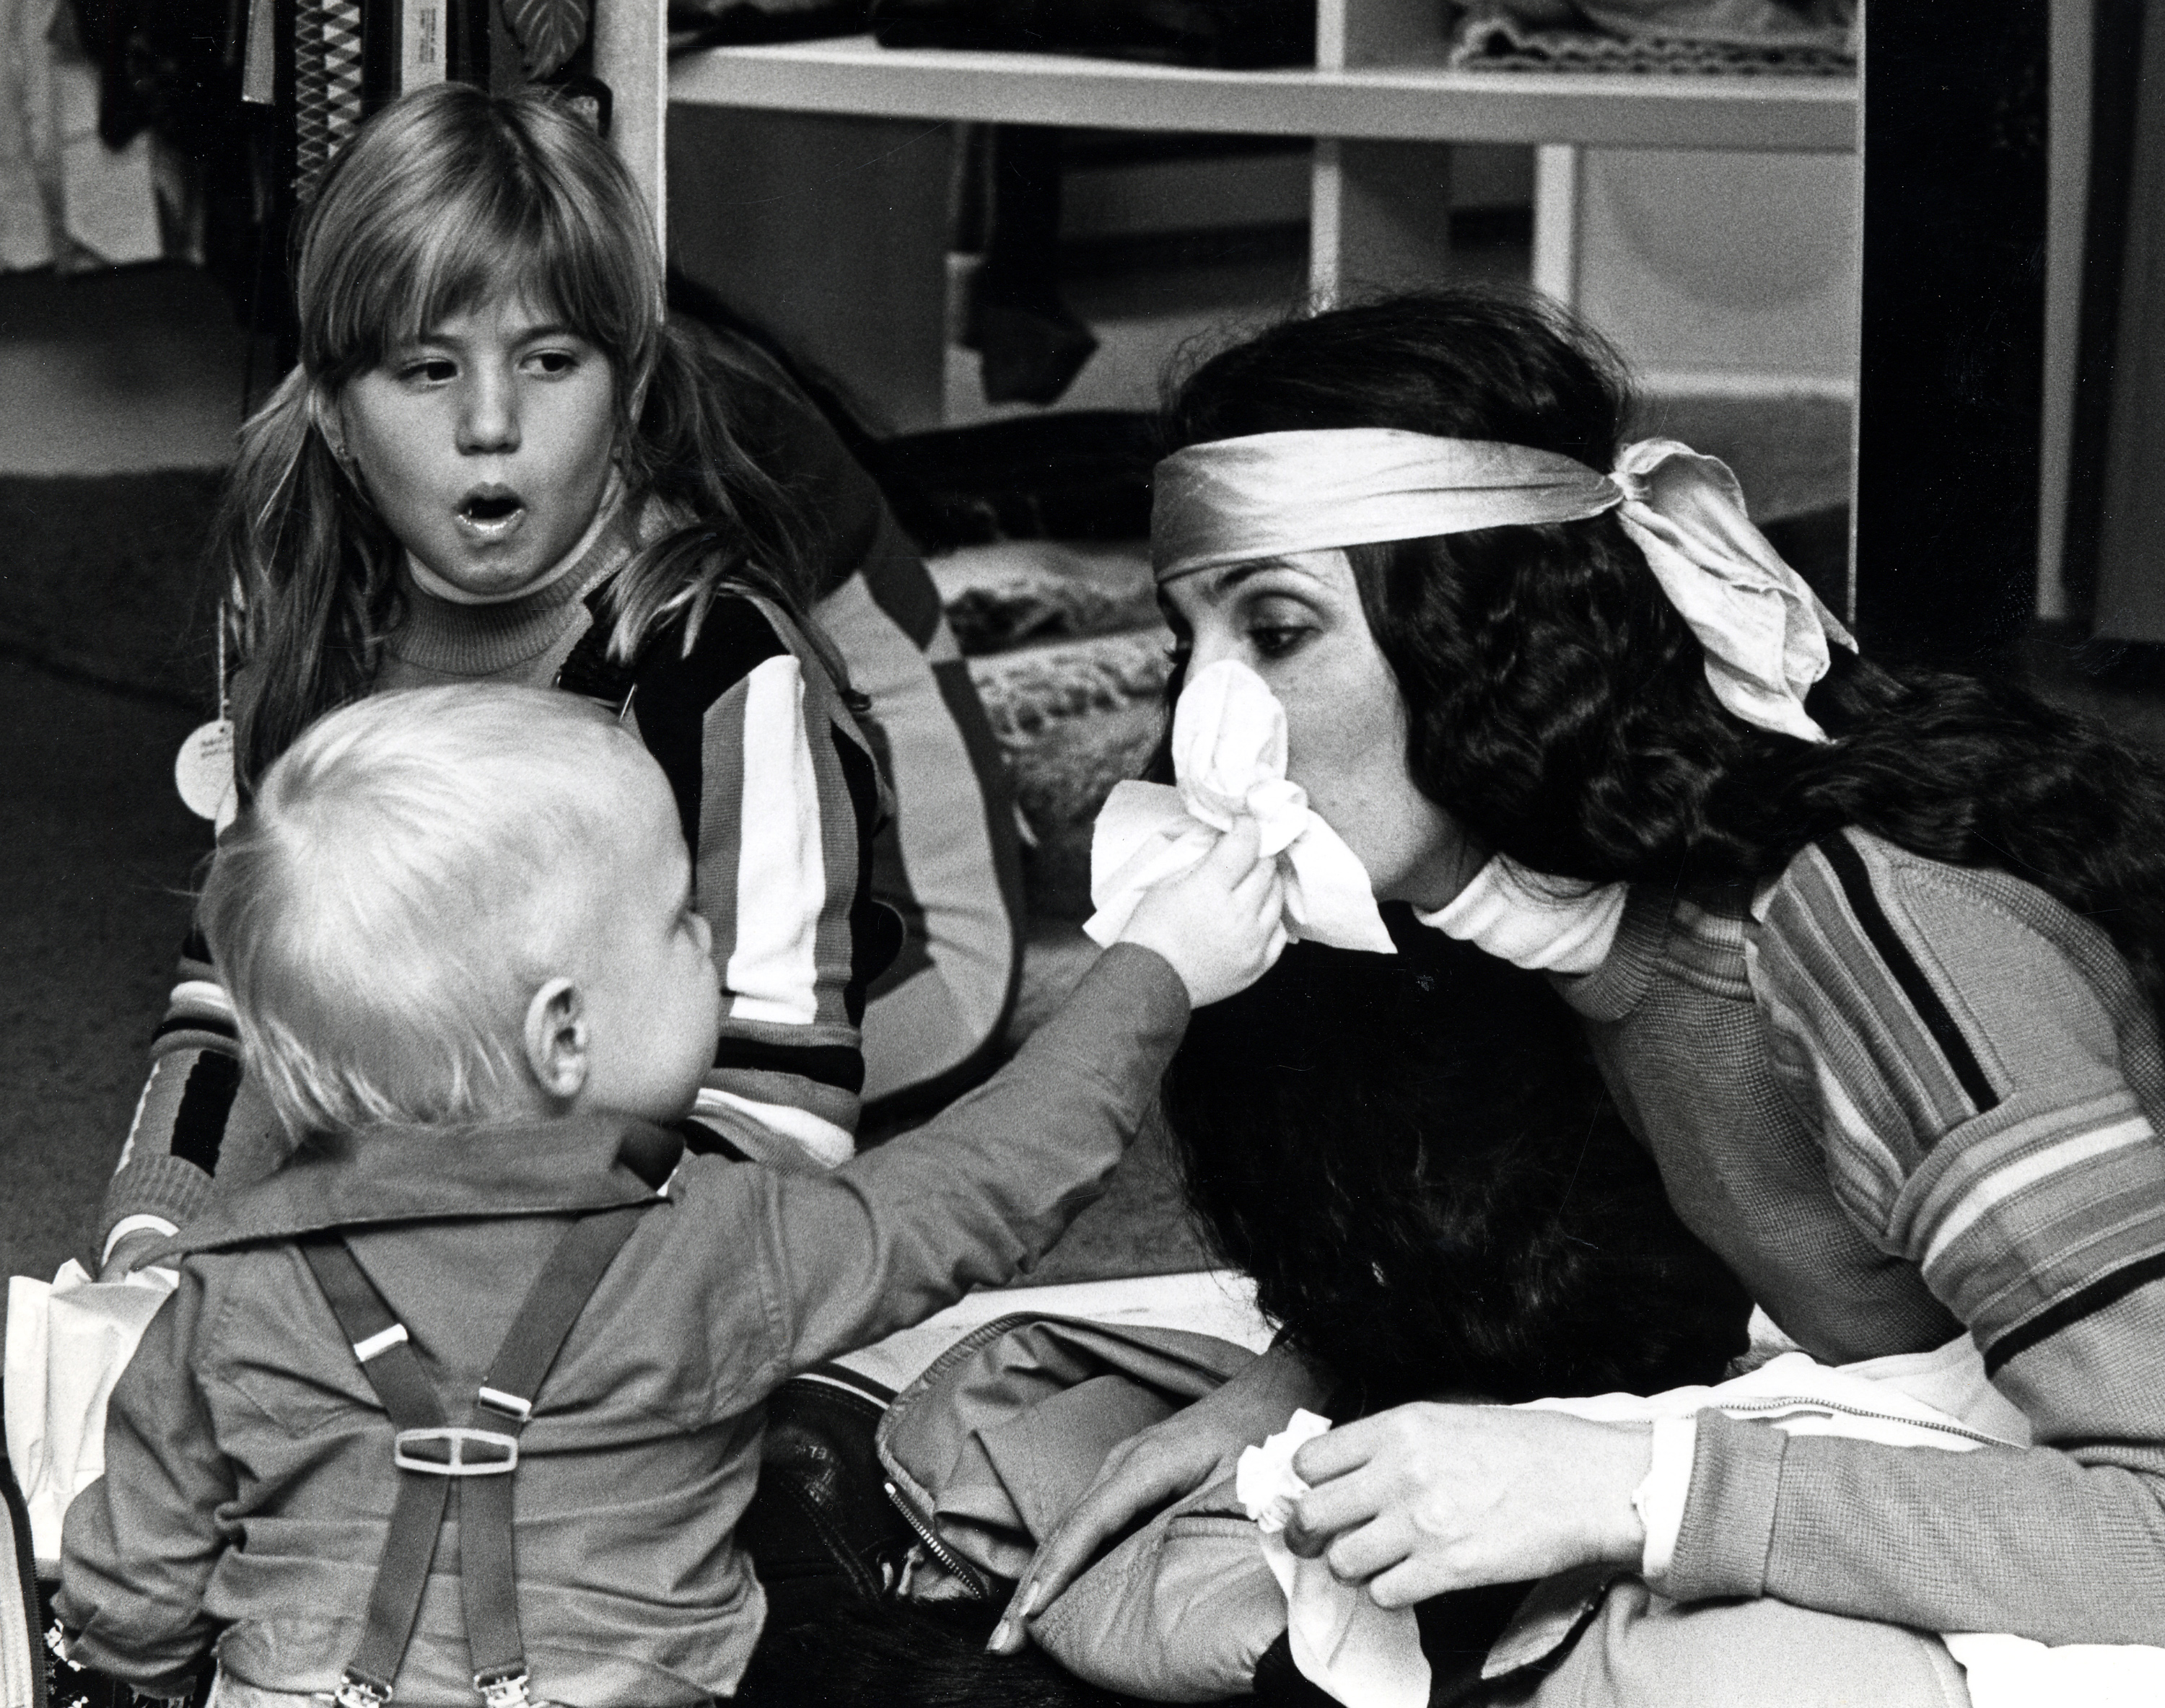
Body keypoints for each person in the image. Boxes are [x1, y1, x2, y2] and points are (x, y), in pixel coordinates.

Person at [991, 289, 2165, 1702]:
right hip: (1876, 1425)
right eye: (1199, 644)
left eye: (1281, 630)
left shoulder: (1872, 931)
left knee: (1706, 1675)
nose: (1207, 733)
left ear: (1482, 632)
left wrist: (1639, 1487)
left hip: (2093, 1502)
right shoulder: (1523, 934)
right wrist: (1296, 1388)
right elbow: (1593, 1287)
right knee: (1022, 1433)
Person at [56, 683, 1283, 1706]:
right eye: (680, 919)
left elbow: (137, 1590)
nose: (709, 940)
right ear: (564, 1035)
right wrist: (1155, 968)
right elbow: (985, 1183)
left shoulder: (223, 1282)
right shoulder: (720, 1243)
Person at [97, 80, 1025, 1280]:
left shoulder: (721, 661)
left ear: (630, 392)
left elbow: (777, 1086)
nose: (492, 422)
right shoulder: (308, 632)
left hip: (871, 982)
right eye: (429, 370)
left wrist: (533, 1296)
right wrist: (152, 1248)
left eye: (548, 360)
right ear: (332, 416)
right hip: (548, 1027)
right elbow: (240, 1003)